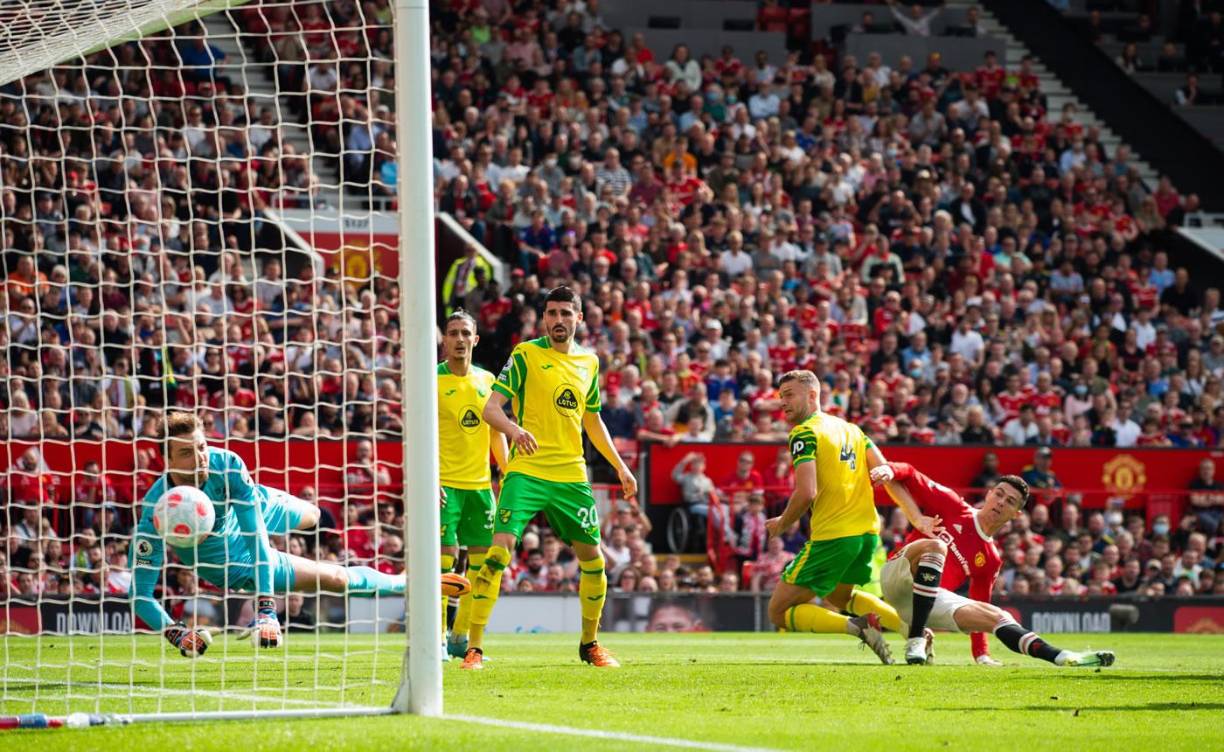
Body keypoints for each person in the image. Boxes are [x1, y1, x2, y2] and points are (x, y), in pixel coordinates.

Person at [129, 412, 470, 656]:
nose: (200, 458)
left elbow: (258, 538)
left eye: (202, 447)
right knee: (336, 578)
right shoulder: (156, 513)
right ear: (167, 459)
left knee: (314, 514)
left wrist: (265, 611)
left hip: (256, 507)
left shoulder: (226, 463)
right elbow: (140, 593)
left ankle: (312, 521)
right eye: (187, 453)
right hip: (234, 561)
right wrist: (176, 634)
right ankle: (412, 581)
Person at [464, 286, 637, 669]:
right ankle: (473, 648)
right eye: (551, 313)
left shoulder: (589, 363)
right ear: (544, 318)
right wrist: (513, 430)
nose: (557, 320)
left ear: (578, 318)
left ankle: (590, 644)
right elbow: (491, 409)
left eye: (564, 313)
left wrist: (620, 466)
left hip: (571, 474)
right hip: (527, 470)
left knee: (594, 562)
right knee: (497, 555)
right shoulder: (526, 354)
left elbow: (593, 421)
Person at [873, 461, 1115, 668]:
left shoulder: (990, 559)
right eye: (998, 494)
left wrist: (981, 655)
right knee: (938, 547)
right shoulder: (952, 505)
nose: (1000, 502)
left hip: (922, 604)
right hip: (897, 576)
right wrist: (888, 468)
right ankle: (916, 639)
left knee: (999, 616)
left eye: (1010, 501)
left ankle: (1063, 657)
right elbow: (911, 473)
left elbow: (981, 601)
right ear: (988, 494)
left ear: (1016, 514)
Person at [764, 370, 901, 664]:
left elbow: (807, 492)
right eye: (781, 397)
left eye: (789, 395)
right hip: (866, 534)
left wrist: (782, 523)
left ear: (812, 395)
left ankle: (858, 626)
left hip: (834, 535)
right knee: (840, 597)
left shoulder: (804, 432)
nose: (783, 403)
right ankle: (914, 629)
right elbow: (883, 468)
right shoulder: (851, 429)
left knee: (777, 611)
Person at [437, 311, 510, 659]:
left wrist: (508, 471)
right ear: (444, 339)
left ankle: (459, 637)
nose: (460, 339)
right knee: (443, 568)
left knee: (482, 569)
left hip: (481, 489)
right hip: (444, 487)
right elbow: (419, 434)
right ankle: (434, 639)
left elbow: (496, 431)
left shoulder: (486, 380)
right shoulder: (431, 380)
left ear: (476, 339)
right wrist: (428, 479)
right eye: (453, 333)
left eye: (466, 333)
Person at [1188, 458, 1224, 535]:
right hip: (1201, 513)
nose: (1206, 471)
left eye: (1209, 469)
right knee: (1214, 525)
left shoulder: (1220, 485)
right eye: (1203, 469)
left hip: (1219, 513)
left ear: (1213, 471)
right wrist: (1216, 499)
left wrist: (1206, 498)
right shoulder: (1194, 485)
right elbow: (1195, 501)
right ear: (1200, 471)